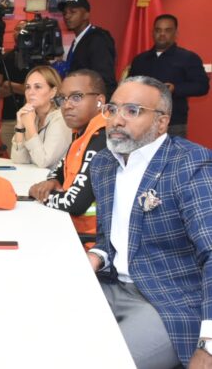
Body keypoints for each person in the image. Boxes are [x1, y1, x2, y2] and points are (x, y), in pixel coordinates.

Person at [87, 76, 212, 368]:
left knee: (100, 362)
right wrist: (97, 256)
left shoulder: (190, 164)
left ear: (161, 122)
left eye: (132, 111)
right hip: (111, 285)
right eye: (112, 109)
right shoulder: (104, 163)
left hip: (169, 299)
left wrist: (208, 344)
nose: (117, 120)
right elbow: (109, 237)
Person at [28, 69, 107, 236]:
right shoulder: (82, 132)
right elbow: (60, 168)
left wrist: (38, 194)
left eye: (76, 97)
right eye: (62, 98)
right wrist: (52, 181)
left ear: (99, 102)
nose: (67, 105)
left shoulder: (102, 138)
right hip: (70, 227)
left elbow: (74, 203)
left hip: (90, 239)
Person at [128, 14, 209, 138]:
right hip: (142, 122)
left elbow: (202, 86)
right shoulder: (140, 60)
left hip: (173, 123)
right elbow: (130, 86)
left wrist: (175, 89)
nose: (162, 34)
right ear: (152, 33)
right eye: (158, 30)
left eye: (167, 30)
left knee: (172, 151)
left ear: (176, 33)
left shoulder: (188, 58)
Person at [10, 66, 72, 169]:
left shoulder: (61, 119)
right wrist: (20, 127)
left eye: (38, 87)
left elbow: (43, 162)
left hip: (55, 179)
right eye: (28, 87)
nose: (30, 92)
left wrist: (29, 126)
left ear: (53, 92)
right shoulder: (33, 117)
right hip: (34, 177)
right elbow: (19, 160)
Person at [58, 0, 118, 98]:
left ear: (86, 15)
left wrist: (99, 105)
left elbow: (104, 80)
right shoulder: (78, 40)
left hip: (93, 103)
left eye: (73, 12)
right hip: (80, 100)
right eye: (65, 13)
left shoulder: (98, 39)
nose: (67, 16)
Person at [0, 20, 30, 148]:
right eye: (17, 29)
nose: (20, 32)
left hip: (35, 118)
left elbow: (34, 91)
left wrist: (8, 84)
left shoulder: (38, 59)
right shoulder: (4, 59)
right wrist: (22, 88)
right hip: (9, 118)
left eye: (24, 28)